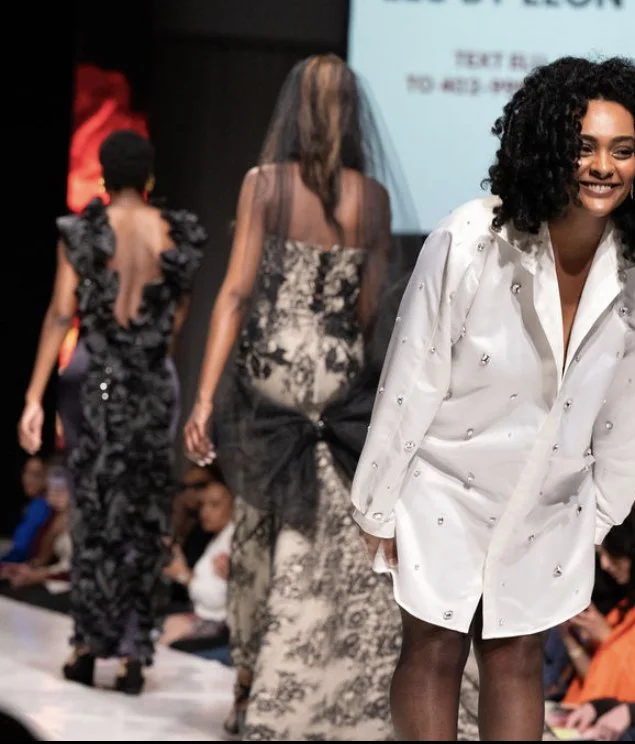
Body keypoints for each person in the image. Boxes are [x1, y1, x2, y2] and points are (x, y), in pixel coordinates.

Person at [350, 55, 635, 740]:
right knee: (434, 646)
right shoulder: (471, 239)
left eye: (622, 150)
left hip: (552, 496)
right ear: (548, 149)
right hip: (445, 479)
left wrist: (596, 517)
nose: (602, 166)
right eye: (584, 147)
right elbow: (413, 374)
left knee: (516, 657)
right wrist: (378, 498)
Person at [182, 53, 405, 739]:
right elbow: (368, 309)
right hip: (337, 380)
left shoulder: (265, 185)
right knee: (332, 531)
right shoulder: (372, 198)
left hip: (271, 378)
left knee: (258, 528)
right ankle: (339, 681)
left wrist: (203, 398)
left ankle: (252, 685)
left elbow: (235, 293)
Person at [17, 129, 207, 694]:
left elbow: (61, 313)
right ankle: (132, 656)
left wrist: (33, 395)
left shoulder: (81, 232)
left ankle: (85, 648)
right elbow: (175, 321)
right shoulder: (176, 233)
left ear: (102, 175)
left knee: (94, 507)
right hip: (152, 378)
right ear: (149, 178)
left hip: (92, 377)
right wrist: (147, 368)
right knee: (145, 511)